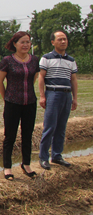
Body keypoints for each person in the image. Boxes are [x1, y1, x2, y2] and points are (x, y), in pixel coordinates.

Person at [0, 32, 40, 180]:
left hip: (30, 103)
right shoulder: (7, 60)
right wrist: (6, 98)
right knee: (10, 136)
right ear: (15, 44)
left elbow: (34, 78)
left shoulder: (34, 60)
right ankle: (7, 167)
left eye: (28, 42)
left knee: (27, 135)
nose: (25, 45)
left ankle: (26, 164)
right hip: (12, 103)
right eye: (22, 42)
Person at [38, 30, 78, 170]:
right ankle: (43, 157)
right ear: (53, 42)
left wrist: (75, 98)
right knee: (50, 126)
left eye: (65, 39)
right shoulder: (46, 58)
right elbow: (41, 77)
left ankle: (57, 155)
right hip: (53, 93)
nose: (63, 41)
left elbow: (73, 79)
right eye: (60, 39)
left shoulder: (71, 60)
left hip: (66, 95)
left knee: (61, 127)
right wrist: (42, 96)